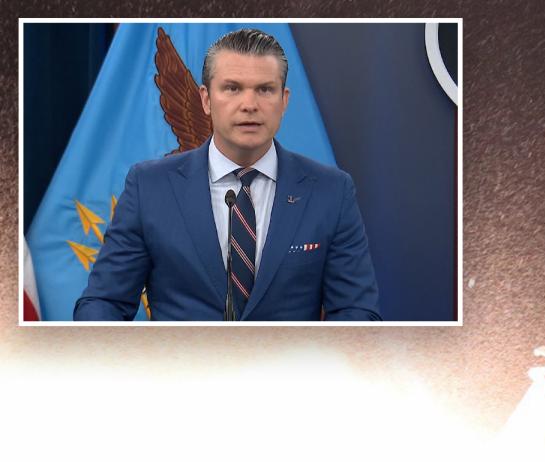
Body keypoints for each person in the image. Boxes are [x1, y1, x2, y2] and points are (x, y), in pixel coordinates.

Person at [74, 28, 381, 321]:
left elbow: (357, 313)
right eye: (232, 88)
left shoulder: (330, 191)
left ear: (284, 100)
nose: (249, 105)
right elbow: (103, 303)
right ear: (206, 100)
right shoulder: (149, 187)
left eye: (265, 89)